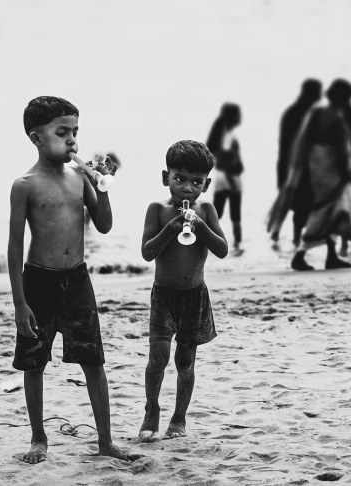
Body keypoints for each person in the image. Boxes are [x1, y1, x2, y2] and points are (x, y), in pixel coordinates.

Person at [8, 96, 140, 464]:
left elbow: (104, 225)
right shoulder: (25, 185)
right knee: (35, 363)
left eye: (75, 132)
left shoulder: (80, 179)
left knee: (93, 360)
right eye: (62, 132)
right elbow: (14, 248)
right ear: (37, 138)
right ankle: (38, 438)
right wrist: (20, 303)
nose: (72, 142)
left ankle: (106, 442)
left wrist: (102, 185)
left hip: (78, 280)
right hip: (38, 281)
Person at [137, 140, 228, 442]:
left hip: (194, 297)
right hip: (164, 297)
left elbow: (222, 250)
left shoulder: (206, 210)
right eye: (179, 179)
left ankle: (179, 418)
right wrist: (170, 229)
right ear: (166, 178)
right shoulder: (158, 210)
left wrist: (200, 228)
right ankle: (152, 410)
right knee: (158, 358)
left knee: (185, 361)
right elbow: (148, 253)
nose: (187, 188)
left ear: (207, 183)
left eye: (196, 182)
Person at [268, 79, 351, 271]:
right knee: (325, 212)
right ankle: (301, 255)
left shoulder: (317, 114)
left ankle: (331, 256)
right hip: (331, 171)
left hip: (315, 169)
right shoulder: (335, 119)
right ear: (344, 99)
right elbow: (342, 150)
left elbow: (304, 143)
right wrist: (345, 174)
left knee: (331, 212)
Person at [276, 79, 322, 247]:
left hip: (287, 165)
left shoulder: (292, 112)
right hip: (298, 167)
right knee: (301, 204)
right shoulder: (306, 114)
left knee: (291, 203)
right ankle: (296, 241)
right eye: (318, 91)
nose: (320, 95)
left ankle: (282, 238)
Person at [206, 103, 244, 256]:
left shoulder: (223, 132)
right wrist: (232, 181)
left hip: (224, 178)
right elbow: (225, 160)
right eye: (237, 114)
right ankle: (236, 245)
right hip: (229, 178)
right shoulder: (225, 135)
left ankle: (211, 242)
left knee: (219, 213)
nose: (240, 117)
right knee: (231, 214)